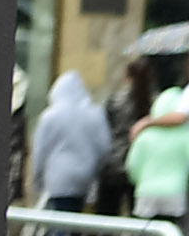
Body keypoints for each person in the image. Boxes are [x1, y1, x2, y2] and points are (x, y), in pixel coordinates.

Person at [30, 62, 111, 213]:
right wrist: (95, 168)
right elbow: (105, 147)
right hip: (85, 177)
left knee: (60, 222)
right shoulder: (95, 114)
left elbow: (40, 150)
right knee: (77, 221)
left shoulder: (50, 116)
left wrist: (37, 179)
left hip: (57, 178)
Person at [128, 84, 189, 227]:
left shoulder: (144, 135)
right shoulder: (185, 136)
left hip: (145, 193)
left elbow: (133, 165)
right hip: (175, 193)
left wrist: (140, 181)